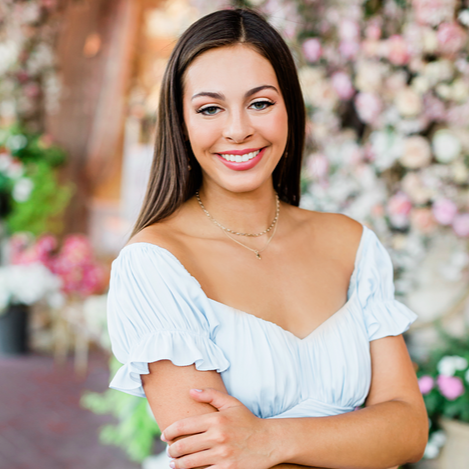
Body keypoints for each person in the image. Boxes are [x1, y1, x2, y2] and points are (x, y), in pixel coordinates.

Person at [107, 8, 428, 469]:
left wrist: (267, 440)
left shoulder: (351, 243)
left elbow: (409, 429)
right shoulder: (155, 263)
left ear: (289, 109)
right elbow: (212, 462)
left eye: (260, 102)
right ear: (180, 123)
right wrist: (361, 438)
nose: (238, 130)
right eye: (209, 108)